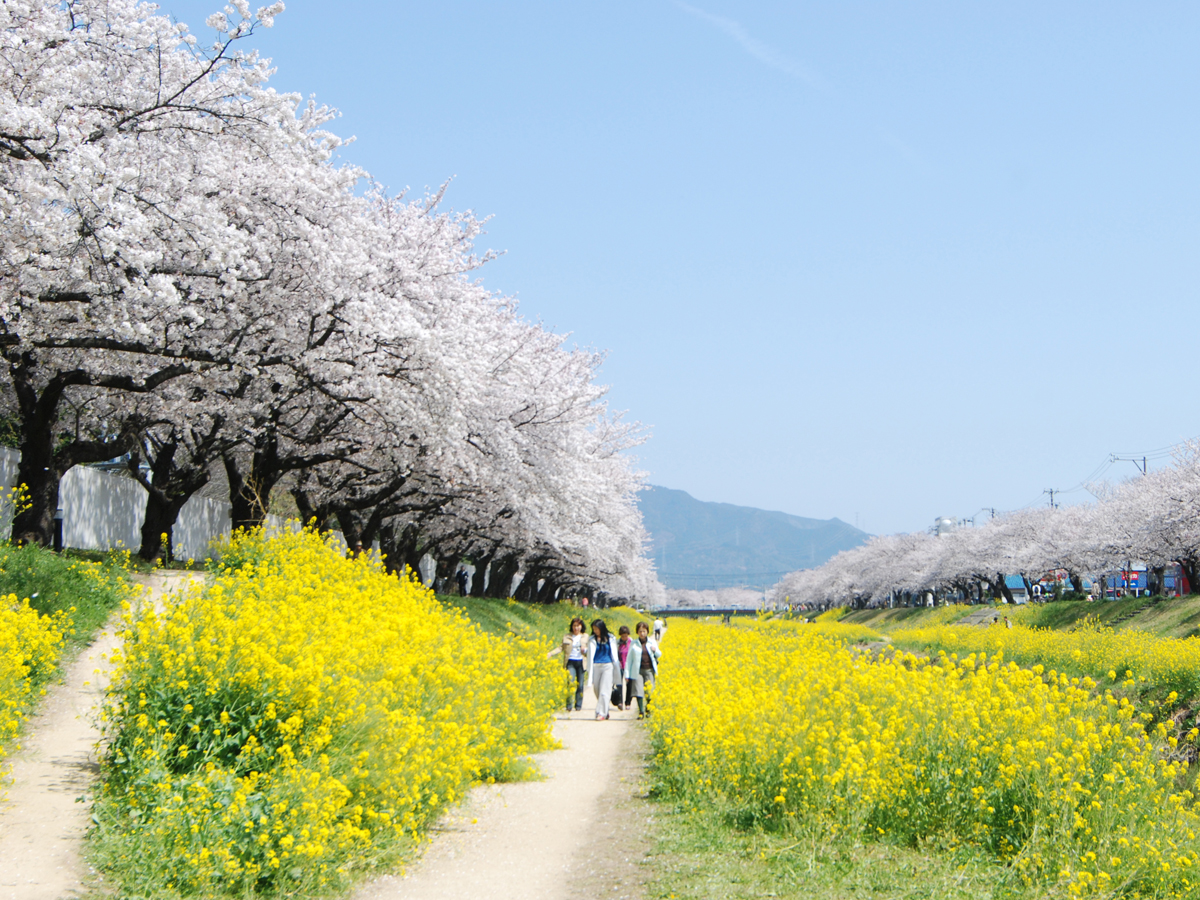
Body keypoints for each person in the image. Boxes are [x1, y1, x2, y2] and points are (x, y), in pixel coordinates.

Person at [623, 621, 660, 720]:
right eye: (640, 631)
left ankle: (648, 710)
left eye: (644, 631)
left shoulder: (652, 642)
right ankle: (641, 712)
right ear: (637, 632)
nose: (642, 633)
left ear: (647, 631)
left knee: (649, 691)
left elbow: (659, 654)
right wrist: (627, 674)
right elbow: (629, 659)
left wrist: (654, 650)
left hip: (649, 670)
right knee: (638, 691)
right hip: (638, 670)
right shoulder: (634, 643)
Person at [586, 618, 620, 721]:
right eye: (594, 629)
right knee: (597, 690)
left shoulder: (610, 638)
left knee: (604, 691)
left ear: (602, 628)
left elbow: (614, 653)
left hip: (607, 665)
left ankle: (601, 713)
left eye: (597, 629)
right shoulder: (592, 639)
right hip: (596, 666)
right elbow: (590, 653)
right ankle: (605, 710)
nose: (595, 631)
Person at [561, 617, 588, 712]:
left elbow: (590, 650)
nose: (576, 628)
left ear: (581, 626)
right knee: (570, 683)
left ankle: (578, 705)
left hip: (581, 662)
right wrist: (550, 653)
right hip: (570, 662)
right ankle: (569, 705)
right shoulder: (567, 636)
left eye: (578, 626)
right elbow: (561, 647)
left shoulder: (585, 636)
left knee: (580, 685)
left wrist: (585, 650)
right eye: (574, 626)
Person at [616, 626, 633, 711]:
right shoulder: (617, 643)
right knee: (619, 684)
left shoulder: (632, 642)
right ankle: (620, 702)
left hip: (629, 666)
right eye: (622, 636)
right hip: (620, 666)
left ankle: (628, 702)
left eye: (625, 636)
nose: (624, 638)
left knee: (629, 685)